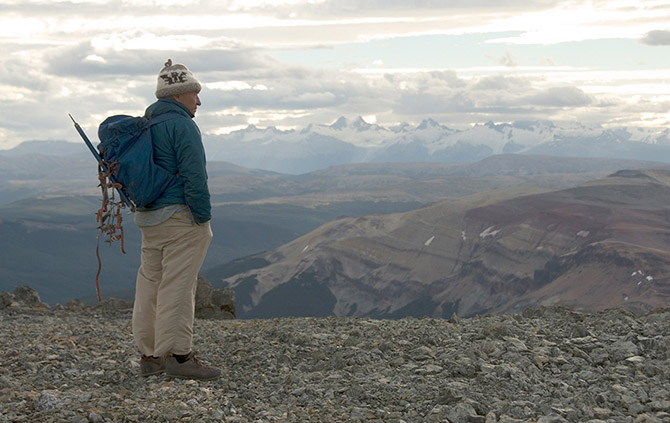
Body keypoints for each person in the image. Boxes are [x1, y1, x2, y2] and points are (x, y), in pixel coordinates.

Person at [131, 59, 220, 380]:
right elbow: (195, 176)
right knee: (179, 286)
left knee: (150, 283)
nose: (198, 100)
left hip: (149, 216)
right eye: (194, 93)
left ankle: (149, 355)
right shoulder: (182, 125)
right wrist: (203, 218)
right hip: (180, 217)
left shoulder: (146, 122)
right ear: (179, 94)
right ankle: (179, 356)